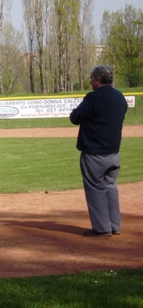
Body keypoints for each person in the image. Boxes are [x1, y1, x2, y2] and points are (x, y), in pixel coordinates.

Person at [69, 65, 128, 237]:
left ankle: (102, 228)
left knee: (95, 188)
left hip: (94, 152)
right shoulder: (119, 96)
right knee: (110, 187)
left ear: (98, 80)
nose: (90, 81)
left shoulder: (93, 98)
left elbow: (75, 118)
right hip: (114, 152)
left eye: (91, 78)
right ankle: (114, 225)